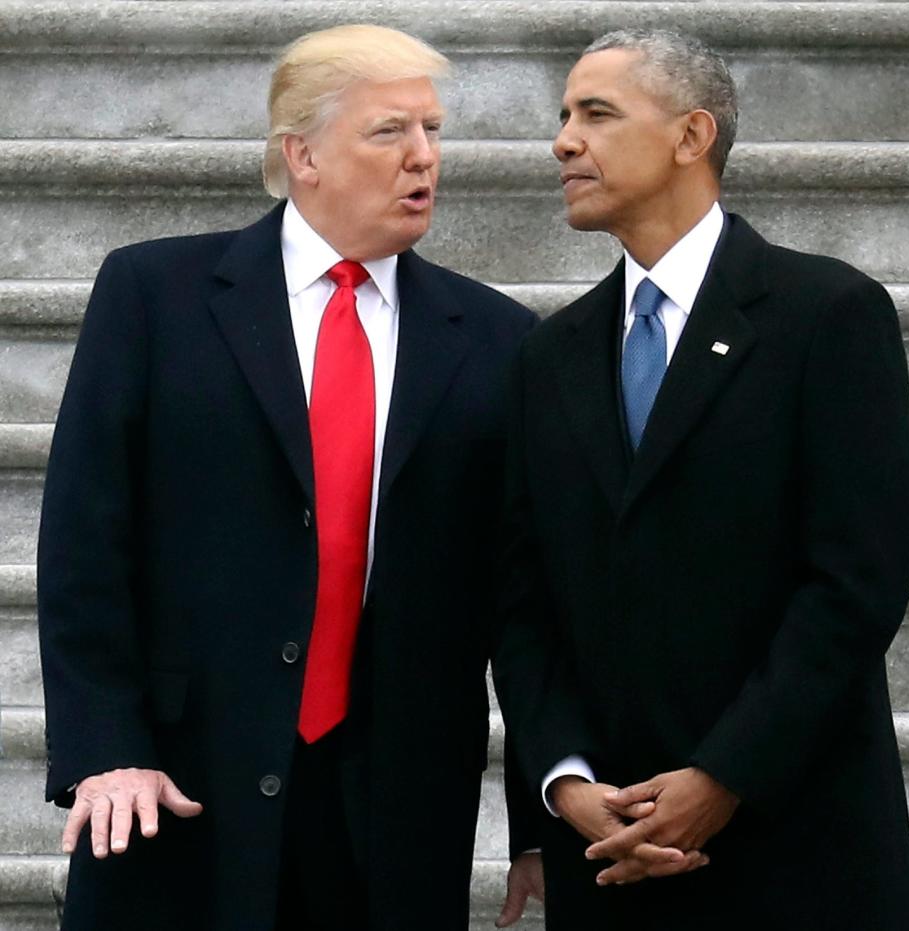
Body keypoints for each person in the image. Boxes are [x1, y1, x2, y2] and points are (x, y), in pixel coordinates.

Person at [38, 24, 542, 931]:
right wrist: (104, 748)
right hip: (175, 787)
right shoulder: (155, 294)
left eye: (433, 131)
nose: (424, 157)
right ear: (300, 154)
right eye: (390, 132)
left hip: (394, 814)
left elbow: (526, 590)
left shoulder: (499, 338)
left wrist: (543, 806)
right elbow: (84, 538)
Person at [493, 28, 909, 930]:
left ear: (692, 136)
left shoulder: (828, 316)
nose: (563, 140)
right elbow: (522, 597)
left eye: (596, 114)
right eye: (564, 116)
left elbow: (854, 584)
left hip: (793, 847)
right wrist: (564, 780)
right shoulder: (549, 355)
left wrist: (724, 774)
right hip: (609, 858)